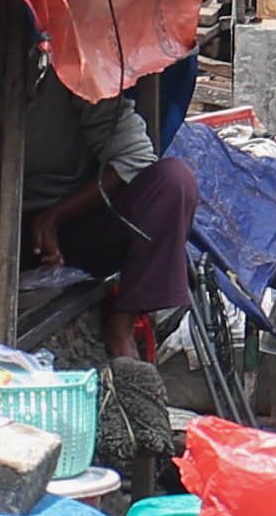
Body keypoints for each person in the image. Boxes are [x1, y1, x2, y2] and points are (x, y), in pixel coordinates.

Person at [17, 49, 197, 369]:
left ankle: (122, 324)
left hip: (77, 226)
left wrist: (55, 216)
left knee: (175, 182)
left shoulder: (71, 72)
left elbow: (136, 157)